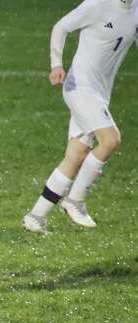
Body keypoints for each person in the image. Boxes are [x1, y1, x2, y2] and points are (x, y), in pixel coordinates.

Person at [22, 0, 138, 234]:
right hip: (79, 88)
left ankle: (35, 217)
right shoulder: (97, 5)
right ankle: (75, 201)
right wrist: (56, 65)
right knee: (111, 140)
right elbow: (61, 27)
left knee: (75, 156)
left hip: (99, 94)